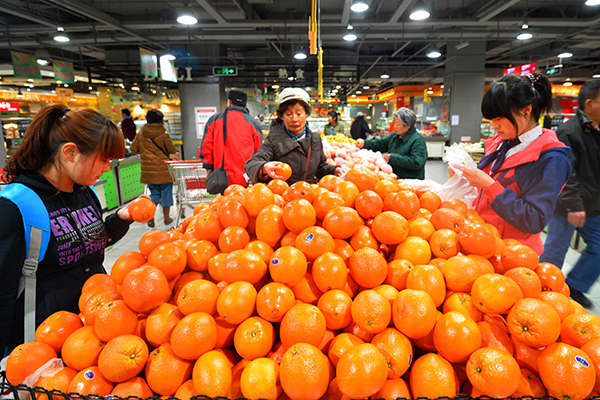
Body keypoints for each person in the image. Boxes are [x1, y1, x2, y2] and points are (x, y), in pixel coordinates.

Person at [0, 103, 134, 353]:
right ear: (70, 152)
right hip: (44, 346)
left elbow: (92, 241)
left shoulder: (84, 192)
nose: (107, 167)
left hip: (93, 332)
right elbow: (2, 292)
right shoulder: (16, 207)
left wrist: (121, 218)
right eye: (103, 159)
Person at [460, 73, 572, 255]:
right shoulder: (500, 143)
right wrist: (465, 180)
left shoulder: (551, 159)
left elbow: (534, 219)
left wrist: (489, 185)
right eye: (491, 120)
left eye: (499, 118)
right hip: (481, 242)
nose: (494, 126)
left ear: (526, 110)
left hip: (512, 255)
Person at [540, 80, 600, 308]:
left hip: (594, 207)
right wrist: (574, 204)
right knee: (555, 252)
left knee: (598, 248)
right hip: (567, 207)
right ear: (589, 103)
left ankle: (575, 284)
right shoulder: (569, 132)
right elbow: (564, 173)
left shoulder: (597, 131)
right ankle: (541, 292)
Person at [245, 87, 342, 184]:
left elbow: (320, 168)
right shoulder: (274, 139)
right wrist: (264, 167)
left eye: (299, 114)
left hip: (308, 194)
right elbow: (252, 163)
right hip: (282, 194)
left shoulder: (315, 139)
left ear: (306, 114)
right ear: (282, 117)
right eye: (288, 114)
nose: (294, 119)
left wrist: (333, 170)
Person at [200, 90, 263, 187]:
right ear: (245, 105)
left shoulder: (215, 120)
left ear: (229, 102)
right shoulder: (253, 123)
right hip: (246, 177)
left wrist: (208, 168)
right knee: (245, 201)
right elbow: (259, 150)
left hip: (221, 178)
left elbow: (206, 147)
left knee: (224, 201)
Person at [130, 109, 178, 227]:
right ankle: (167, 218)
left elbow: (133, 148)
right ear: (160, 120)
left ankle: (150, 216)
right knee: (166, 193)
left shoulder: (141, 132)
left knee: (154, 194)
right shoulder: (163, 132)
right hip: (163, 169)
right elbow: (171, 149)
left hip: (149, 171)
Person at [356, 107, 427, 179]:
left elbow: (416, 162)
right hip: (394, 177)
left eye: (398, 125)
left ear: (408, 126)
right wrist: (364, 143)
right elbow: (381, 144)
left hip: (409, 181)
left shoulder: (417, 140)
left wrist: (393, 158)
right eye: (395, 123)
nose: (395, 127)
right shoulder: (395, 136)